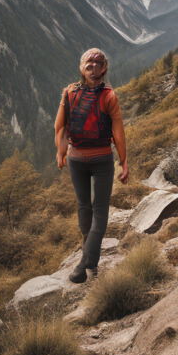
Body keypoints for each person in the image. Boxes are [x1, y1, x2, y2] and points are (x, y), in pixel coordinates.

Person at [54, 48, 129, 283]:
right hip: (101, 158)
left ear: (102, 68)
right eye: (91, 63)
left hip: (76, 158)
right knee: (99, 209)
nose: (94, 66)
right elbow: (118, 132)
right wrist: (123, 161)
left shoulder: (69, 92)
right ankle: (88, 261)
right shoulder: (109, 96)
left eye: (97, 63)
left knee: (84, 207)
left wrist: (61, 151)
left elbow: (59, 127)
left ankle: (85, 261)